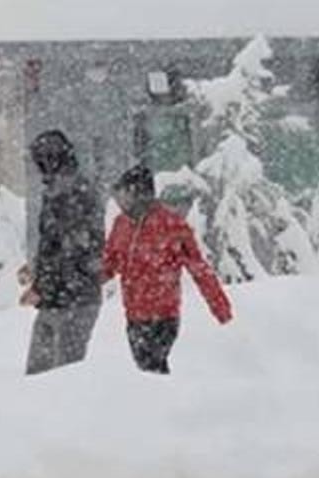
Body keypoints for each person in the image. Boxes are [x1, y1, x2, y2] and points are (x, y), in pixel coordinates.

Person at [103, 165, 233, 374]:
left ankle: (168, 402)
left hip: (164, 317)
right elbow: (109, 264)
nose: (120, 201)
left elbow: (200, 270)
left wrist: (222, 310)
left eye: (124, 194)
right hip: (134, 317)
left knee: (153, 370)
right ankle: (165, 402)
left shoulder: (172, 225)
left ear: (140, 194)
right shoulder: (121, 224)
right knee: (144, 373)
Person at [19, 130, 106, 375]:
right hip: (67, 297)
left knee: (57, 377)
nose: (38, 169)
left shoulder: (67, 193)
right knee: (50, 375)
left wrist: (40, 287)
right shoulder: (66, 188)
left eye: (40, 161)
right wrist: (36, 271)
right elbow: (55, 245)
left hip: (72, 299)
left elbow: (67, 251)